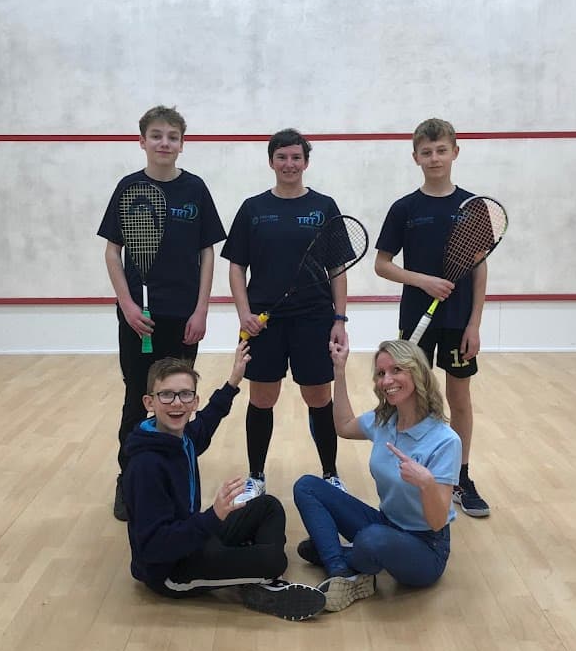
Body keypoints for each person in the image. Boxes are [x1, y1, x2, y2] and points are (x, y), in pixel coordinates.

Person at [122, 343, 327, 620]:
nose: (177, 403)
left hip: (194, 537)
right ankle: (261, 582)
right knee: (274, 561)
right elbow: (154, 547)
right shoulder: (146, 467)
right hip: (169, 570)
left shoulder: (180, 439)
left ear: (195, 401)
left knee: (268, 506)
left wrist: (234, 380)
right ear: (149, 402)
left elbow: (207, 421)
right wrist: (213, 516)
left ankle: (247, 572)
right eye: (166, 395)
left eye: (185, 394)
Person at [98, 105, 226, 521]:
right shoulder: (128, 188)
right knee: (139, 398)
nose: (164, 143)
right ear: (142, 141)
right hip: (140, 321)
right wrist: (127, 305)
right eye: (156, 135)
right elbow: (112, 252)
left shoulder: (195, 189)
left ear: (182, 144)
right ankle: (130, 480)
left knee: (179, 398)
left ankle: (176, 472)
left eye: (172, 136)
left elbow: (207, 253)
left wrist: (201, 309)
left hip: (184, 318)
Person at [220, 129, 349, 506]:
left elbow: (337, 268)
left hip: (314, 318)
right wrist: (244, 314)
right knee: (262, 397)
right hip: (264, 322)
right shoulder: (253, 208)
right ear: (271, 161)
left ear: (306, 162)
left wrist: (339, 319)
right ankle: (256, 477)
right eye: (282, 157)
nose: (289, 164)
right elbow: (236, 266)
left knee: (318, 397)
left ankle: (330, 474)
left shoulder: (324, 207)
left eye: (296, 157)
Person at [373, 117, 491, 517]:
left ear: (455, 152)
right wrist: (422, 281)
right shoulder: (405, 208)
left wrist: (475, 323)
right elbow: (383, 265)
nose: (435, 158)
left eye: (441, 150)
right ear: (416, 157)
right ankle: (411, 471)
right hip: (416, 317)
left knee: (459, 398)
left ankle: (459, 478)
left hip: (459, 320)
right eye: (427, 152)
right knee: (411, 397)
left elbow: (479, 268)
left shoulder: (473, 208)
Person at [293, 338, 460, 611]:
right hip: (386, 523)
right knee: (307, 486)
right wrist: (339, 371)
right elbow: (344, 426)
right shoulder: (385, 420)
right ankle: (340, 570)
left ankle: (339, 555)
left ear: (417, 373)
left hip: (426, 548)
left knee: (371, 539)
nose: (386, 380)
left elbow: (438, 521)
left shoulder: (445, 441)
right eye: (381, 373)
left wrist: (427, 483)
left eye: (396, 370)